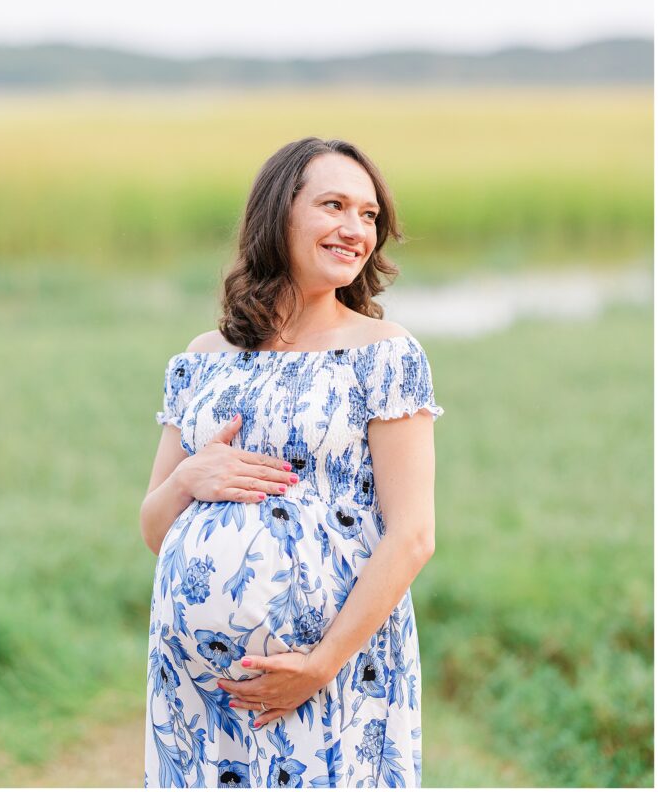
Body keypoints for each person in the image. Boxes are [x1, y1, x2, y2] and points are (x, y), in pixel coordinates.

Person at [140, 136, 445, 788]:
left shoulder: (383, 354)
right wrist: (189, 479)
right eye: (333, 205)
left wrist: (320, 664)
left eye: (368, 215)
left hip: (328, 671)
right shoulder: (203, 358)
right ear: (277, 213)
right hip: (195, 689)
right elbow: (154, 530)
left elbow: (413, 536)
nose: (354, 229)